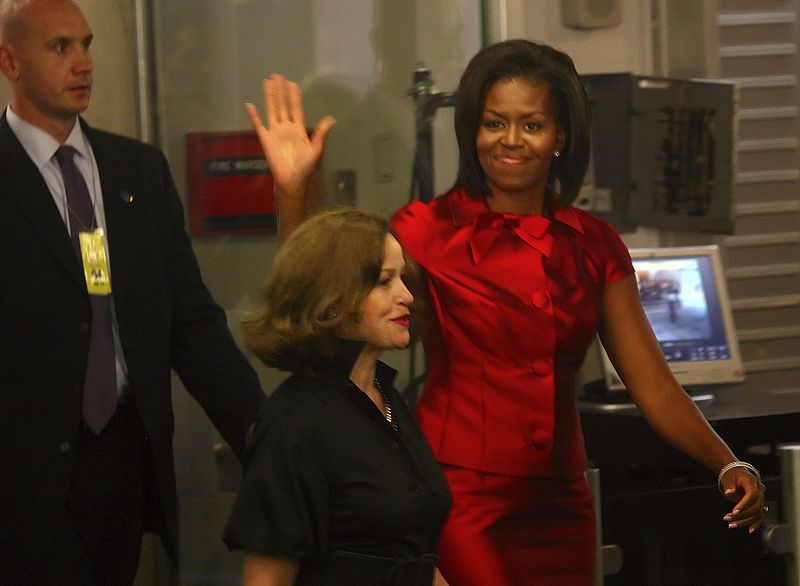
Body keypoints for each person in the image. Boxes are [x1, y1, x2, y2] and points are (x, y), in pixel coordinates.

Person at [246, 40, 766, 585]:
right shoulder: (426, 228)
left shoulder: (594, 243)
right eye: (494, 123)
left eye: (532, 125)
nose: (510, 141)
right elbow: (325, 297)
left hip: (562, 502)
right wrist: (294, 189)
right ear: (473, 130)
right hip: (457, 496)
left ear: (561, 137)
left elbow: (653, 385)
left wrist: (727, 460)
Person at [0, 0, 265, 582]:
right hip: (22, 478)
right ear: (9, 61)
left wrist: (258, 429)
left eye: (88, 44)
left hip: (122, 457)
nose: (83, 63)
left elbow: (190, 321)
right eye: (60, 47)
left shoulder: (136, 171)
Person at [223, 209, 451, 585]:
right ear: (332, 299)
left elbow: (413, 558)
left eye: (402, 278)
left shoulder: (385, 398)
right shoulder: (296, 422)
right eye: (384, 281)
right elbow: (266, 578)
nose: (407, 295)